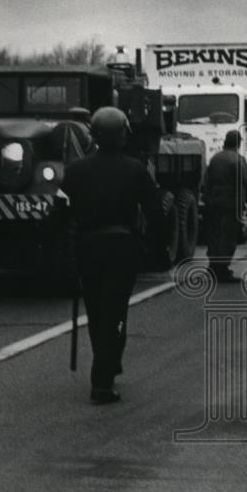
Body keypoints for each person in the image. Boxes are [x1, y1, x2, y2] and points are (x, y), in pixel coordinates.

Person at [60, 106, 159, 405]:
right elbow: (155, 211)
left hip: (88, 248)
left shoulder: (75, 170)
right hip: (121, 248)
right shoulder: (135, 169)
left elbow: (62, 212)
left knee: (97, 311)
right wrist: (156, 247)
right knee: (116, 315)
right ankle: (103, 380)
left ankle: (108, 363)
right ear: (122, 134)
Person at [202, 130, 247, 283]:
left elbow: (205, 182)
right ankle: (222, 270)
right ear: (238, 143)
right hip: (231, 205)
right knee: (229, 237)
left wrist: (207, 198)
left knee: (214, 236)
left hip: (213, 204)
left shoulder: (215, 158)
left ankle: (213, 266)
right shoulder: (237, 159)